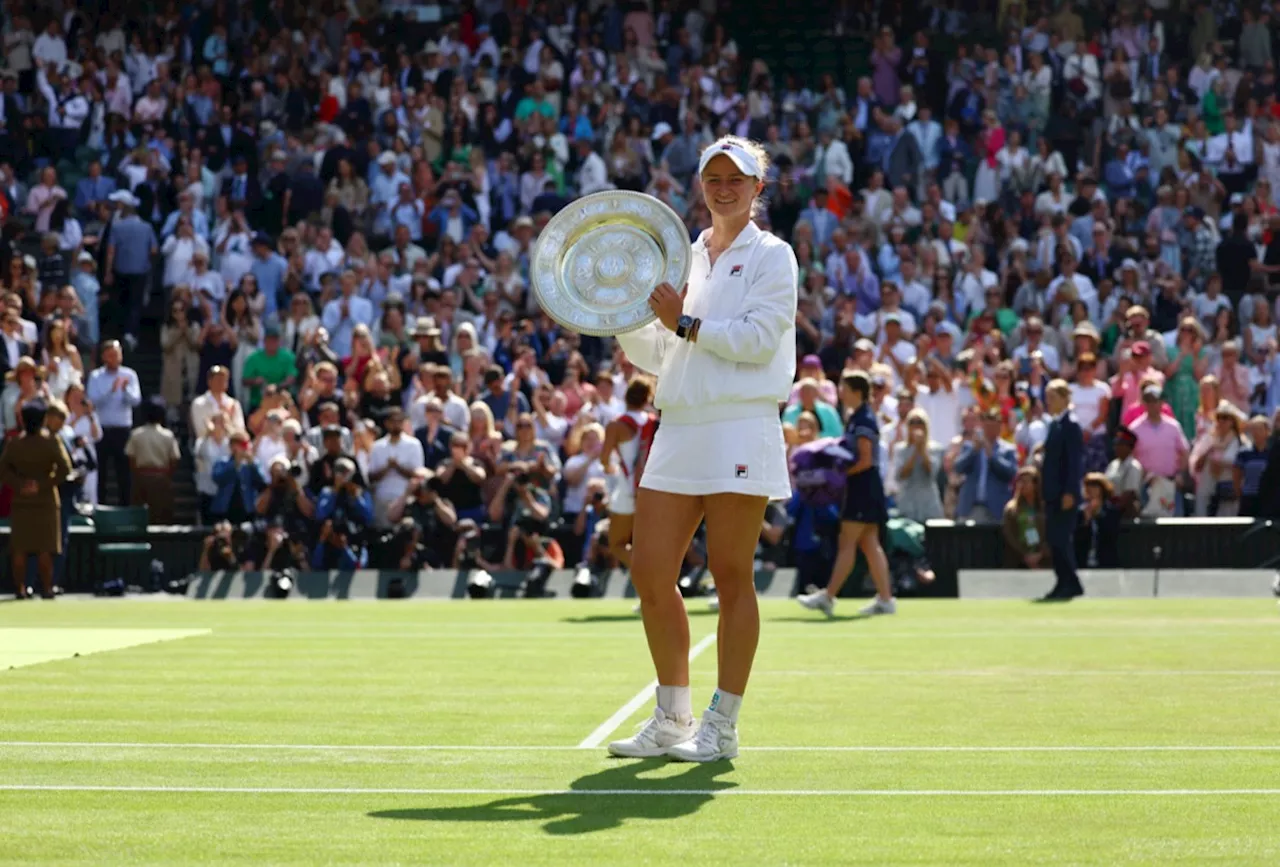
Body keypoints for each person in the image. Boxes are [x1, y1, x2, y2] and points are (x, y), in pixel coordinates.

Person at [606, 136, 796, 764]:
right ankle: (671, 717)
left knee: (731, 575)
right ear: (701, 184)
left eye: (736, 179)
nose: (723, 187)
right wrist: (626, 316)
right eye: (713, 177)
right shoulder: (682, 255)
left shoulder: (775, 256)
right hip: (681, 422)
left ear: (756, 189)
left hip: (742, 423)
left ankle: (724, 725)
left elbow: (760, 340)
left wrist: (682, 323)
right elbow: (661, 352)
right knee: (650, 571)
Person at [797, 369, 896, 616]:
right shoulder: (856, 417)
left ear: (856, 392)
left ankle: (828, 596)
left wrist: (836, 475)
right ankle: (885, 599)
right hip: (864, 486)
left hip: (863, 486)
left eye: (844, 388)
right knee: (869, 542)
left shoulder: (863, 419)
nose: (840, 392)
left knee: (847, 542)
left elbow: (864, 460)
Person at [0, 401, 72, 599]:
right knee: (45, 548)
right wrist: (43, 484)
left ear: (22, 419)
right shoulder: (51, 441)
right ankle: (47, 588)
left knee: (20, 547)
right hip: (46, 500)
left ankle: (20, 589)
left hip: (21, 501)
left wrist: (20, 484)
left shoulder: (14, 443)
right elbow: (65, 469)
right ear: (43, 419)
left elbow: (3, 470)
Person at [600, 377, 657, 569]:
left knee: (617, 544)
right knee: (649, 544)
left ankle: (649, 573)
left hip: (627, 490)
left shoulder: (616, 425)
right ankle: (653, 585)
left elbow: (604, 460)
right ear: (647, 398)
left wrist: (612, 469)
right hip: (654, 490)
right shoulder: (655, 422)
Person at [1039, 379, 1084, 600]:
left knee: (1061, 539)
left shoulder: (1071, 425)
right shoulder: (1055, 424)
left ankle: (1070, 582)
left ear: (1065, 398)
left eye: (1053, 398)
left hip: (1063, 494)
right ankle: (1064, 581)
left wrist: (1070, 492)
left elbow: (1074, 462)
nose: (1048, 402)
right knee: (1054, 539)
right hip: (1052, 492)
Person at [84, 340, 141, 505]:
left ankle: (125, 506)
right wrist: (111, 390)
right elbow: (92, 401)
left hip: (122, 428)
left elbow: (136, 400)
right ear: (104, 357)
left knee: (123, 471)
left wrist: (125, 390)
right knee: (100, 470)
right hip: (101, 428)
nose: (115, 358)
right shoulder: (96, 376)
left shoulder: (129, 375)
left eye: (117, 354)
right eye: (111, 355)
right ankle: (100, 505)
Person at [125, 397, 181, 523]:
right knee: (161, 516)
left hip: (141, 477)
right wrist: (166, 475)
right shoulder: (168, 436)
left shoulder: (136, 434)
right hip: (161, 478)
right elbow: (174, 459)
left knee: (140, 517)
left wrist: (138, 475)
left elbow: (131, 458)